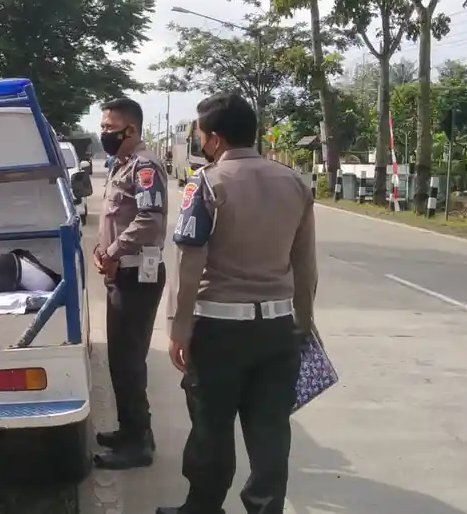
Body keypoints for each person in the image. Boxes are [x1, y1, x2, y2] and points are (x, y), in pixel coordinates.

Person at [158, 93, 316, 514]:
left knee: (211, 426)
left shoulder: (206, 182)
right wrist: (303, 322)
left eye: (200, 133)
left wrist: (179, 328)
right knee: (270, 432)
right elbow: (304, 262)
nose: (199, 140)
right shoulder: (296, 182)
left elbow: (190, 262)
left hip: (219, 331)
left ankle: (203, 507)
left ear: (215, 138)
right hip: (277, 330)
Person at [92, 97, 168, 470]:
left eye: (109, 127)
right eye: (102, 126)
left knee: (129, 360)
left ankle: (138, 443)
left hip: (138, 273)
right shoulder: (118, 165)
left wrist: (115, 250)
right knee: (120, 359)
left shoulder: (145, 166)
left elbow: (150, 219)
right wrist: (101, 248)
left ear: (131, 129)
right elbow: (115, 217)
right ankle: (132, 429)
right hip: (121, 270)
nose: (103, 133)